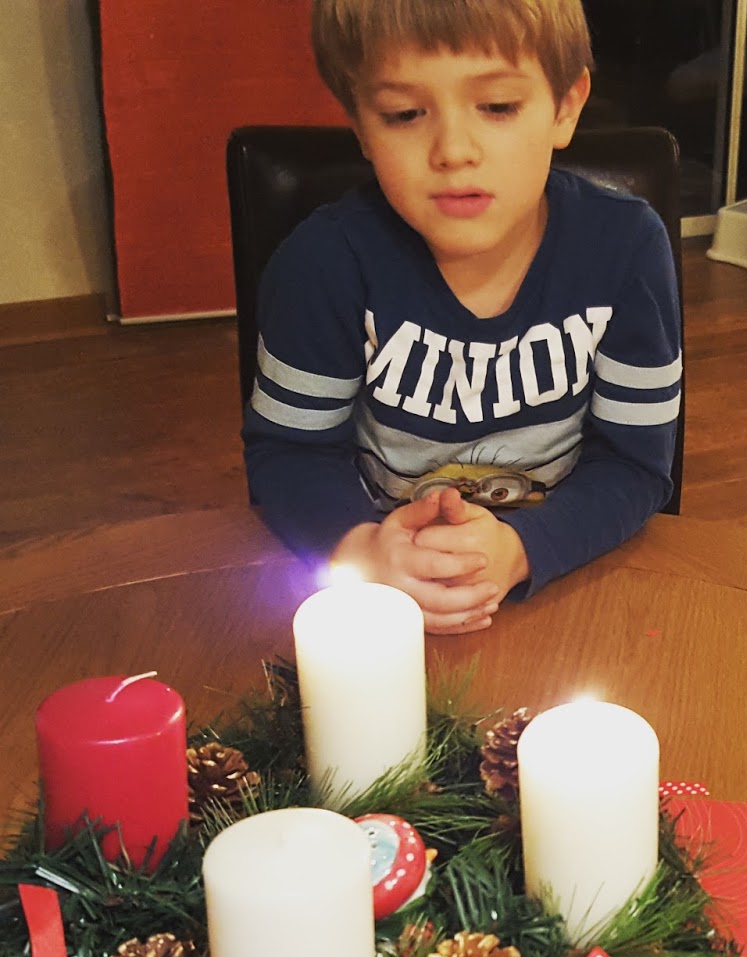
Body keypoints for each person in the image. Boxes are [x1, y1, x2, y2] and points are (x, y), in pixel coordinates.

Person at [243, 0, 681, 634]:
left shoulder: (625, 249)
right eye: (404, 114)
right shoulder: (322, 264)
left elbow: (636, 464)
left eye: (497, 106)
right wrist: (360, 548)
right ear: (360, 125)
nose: (453, 150)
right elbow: (288, 453)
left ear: (565, 106)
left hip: (567, 581)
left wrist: (523, 547)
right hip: (380, 602)